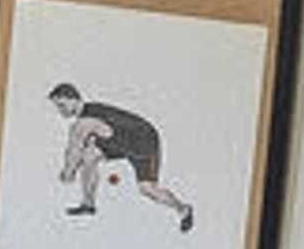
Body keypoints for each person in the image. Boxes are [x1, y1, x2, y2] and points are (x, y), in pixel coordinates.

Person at [51, 77, 196, 230]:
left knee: (147, 189)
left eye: (62, 105)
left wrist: (68, 172)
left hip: (143, 142)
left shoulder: (84, 121)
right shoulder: (88, 116)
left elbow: (74, 148)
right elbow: (80, 149)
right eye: (57, 106)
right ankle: (88, 204)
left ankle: (183, 209)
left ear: (74, 100)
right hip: (119, 142)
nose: (60, 110)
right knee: (89, 156)